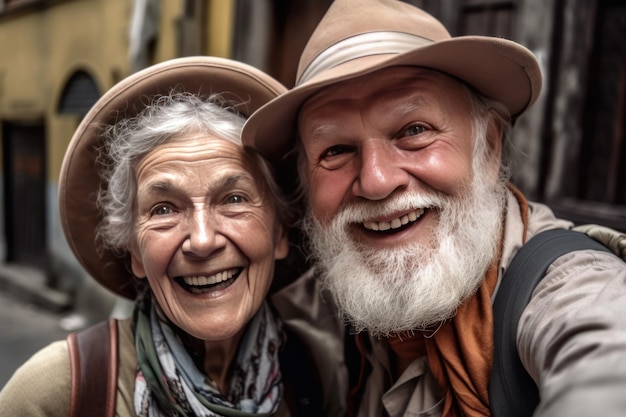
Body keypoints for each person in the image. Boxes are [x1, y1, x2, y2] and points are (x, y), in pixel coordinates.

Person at [241, 0, 626, 416]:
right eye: (335, 150)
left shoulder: (575, 290)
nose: (375, 181)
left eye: (414, 131)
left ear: (489, 147)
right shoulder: (317, 310)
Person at [0, 57, 346, 416]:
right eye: (164, 209)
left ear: (279, 232)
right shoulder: (57, 391)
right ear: (134, 250)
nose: (201, 240)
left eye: (234, 199)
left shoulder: (313, 368)